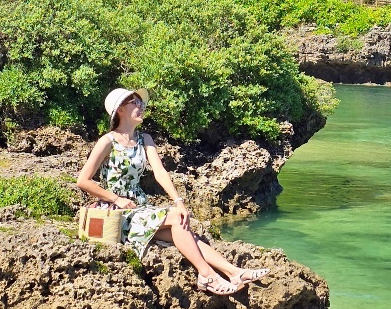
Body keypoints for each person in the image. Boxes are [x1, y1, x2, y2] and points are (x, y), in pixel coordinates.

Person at [77, 87, 270, 295]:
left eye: (141, 103)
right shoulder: (108, 141)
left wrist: (178, 201)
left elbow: (160, 172)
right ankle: (206, 275)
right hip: (119, 213)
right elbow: (83, 181)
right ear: (120, 111)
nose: (141, 106)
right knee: (178, 221)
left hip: (140, 208)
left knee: (184, 232)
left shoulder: (144, 139)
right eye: (134, 103)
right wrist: (117, 199)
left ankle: (234, 272)